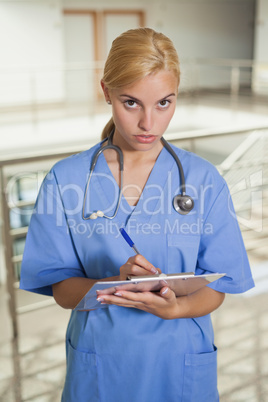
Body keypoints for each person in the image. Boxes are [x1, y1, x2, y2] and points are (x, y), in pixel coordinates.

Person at [20, 28, 254, 401]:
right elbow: (62, 289)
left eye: (164, 103)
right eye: (131, 103)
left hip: (179, 362)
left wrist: (177, 308)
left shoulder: (203, 179)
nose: (149, 123)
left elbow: (218, 288)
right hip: (102, 365)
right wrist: (114, 283)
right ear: (107, 92)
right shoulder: (66, 180)